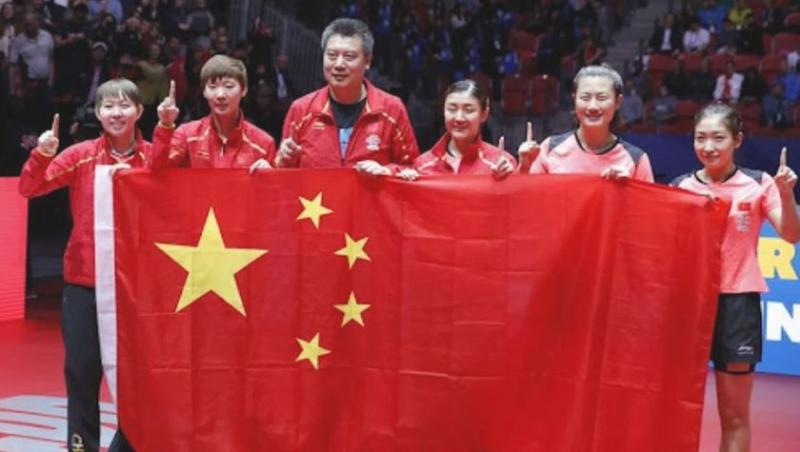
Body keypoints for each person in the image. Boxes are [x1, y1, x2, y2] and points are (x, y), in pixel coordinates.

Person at [17, 78, 149, 452]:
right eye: (108, 106)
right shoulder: (81, 155)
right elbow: (29, 188)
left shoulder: (156, 158)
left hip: (137, 288)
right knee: (81, 372)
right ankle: (81, 447)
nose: (116, 113)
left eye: (124, 105)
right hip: (84, 283)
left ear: (139, 111)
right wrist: (42, 154)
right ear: (98, 113)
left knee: (137, 379)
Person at [671, 103, 800, 452]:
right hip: (689, 305)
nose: (708, 146)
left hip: (737, 305)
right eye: (700, 138)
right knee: (674, 410)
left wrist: (786, 194)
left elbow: (791, 234)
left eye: (718, 138)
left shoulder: (759, 183)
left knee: (734, 415)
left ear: (737, 140)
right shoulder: (680, 186)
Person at [275, 18, 419, 175]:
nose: (338, 64)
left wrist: (387, 171)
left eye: (349, 57)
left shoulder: (392, 109)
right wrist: (284, 160)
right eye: (332, 55)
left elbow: (413, 170)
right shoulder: (301, 110)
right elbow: (281, 173)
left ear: (367, 61)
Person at [518, 65, 653, 182]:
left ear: (617, 102)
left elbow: (648, 204)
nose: (593, 106)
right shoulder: (549, 148)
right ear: (574, 100)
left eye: (602, 98)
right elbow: (528, 199)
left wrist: (629, 189)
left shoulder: (636, 160)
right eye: (585, 97)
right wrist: (524, 168)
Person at [151, 54, 276, 172]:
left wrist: (268, 177)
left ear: (244, 90)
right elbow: (158, 172)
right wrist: (165, 125)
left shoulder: (263, 144)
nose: (220, 95)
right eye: (212, 86)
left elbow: (276, 187)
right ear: (204, 92)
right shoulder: (187, 135)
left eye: (229, 86)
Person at [396, 79, 515, 180]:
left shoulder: (502, 164)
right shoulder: (422, 165)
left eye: (468, 110)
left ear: (484, 114)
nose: (459, 118)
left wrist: (512, 177)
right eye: (452, 109)